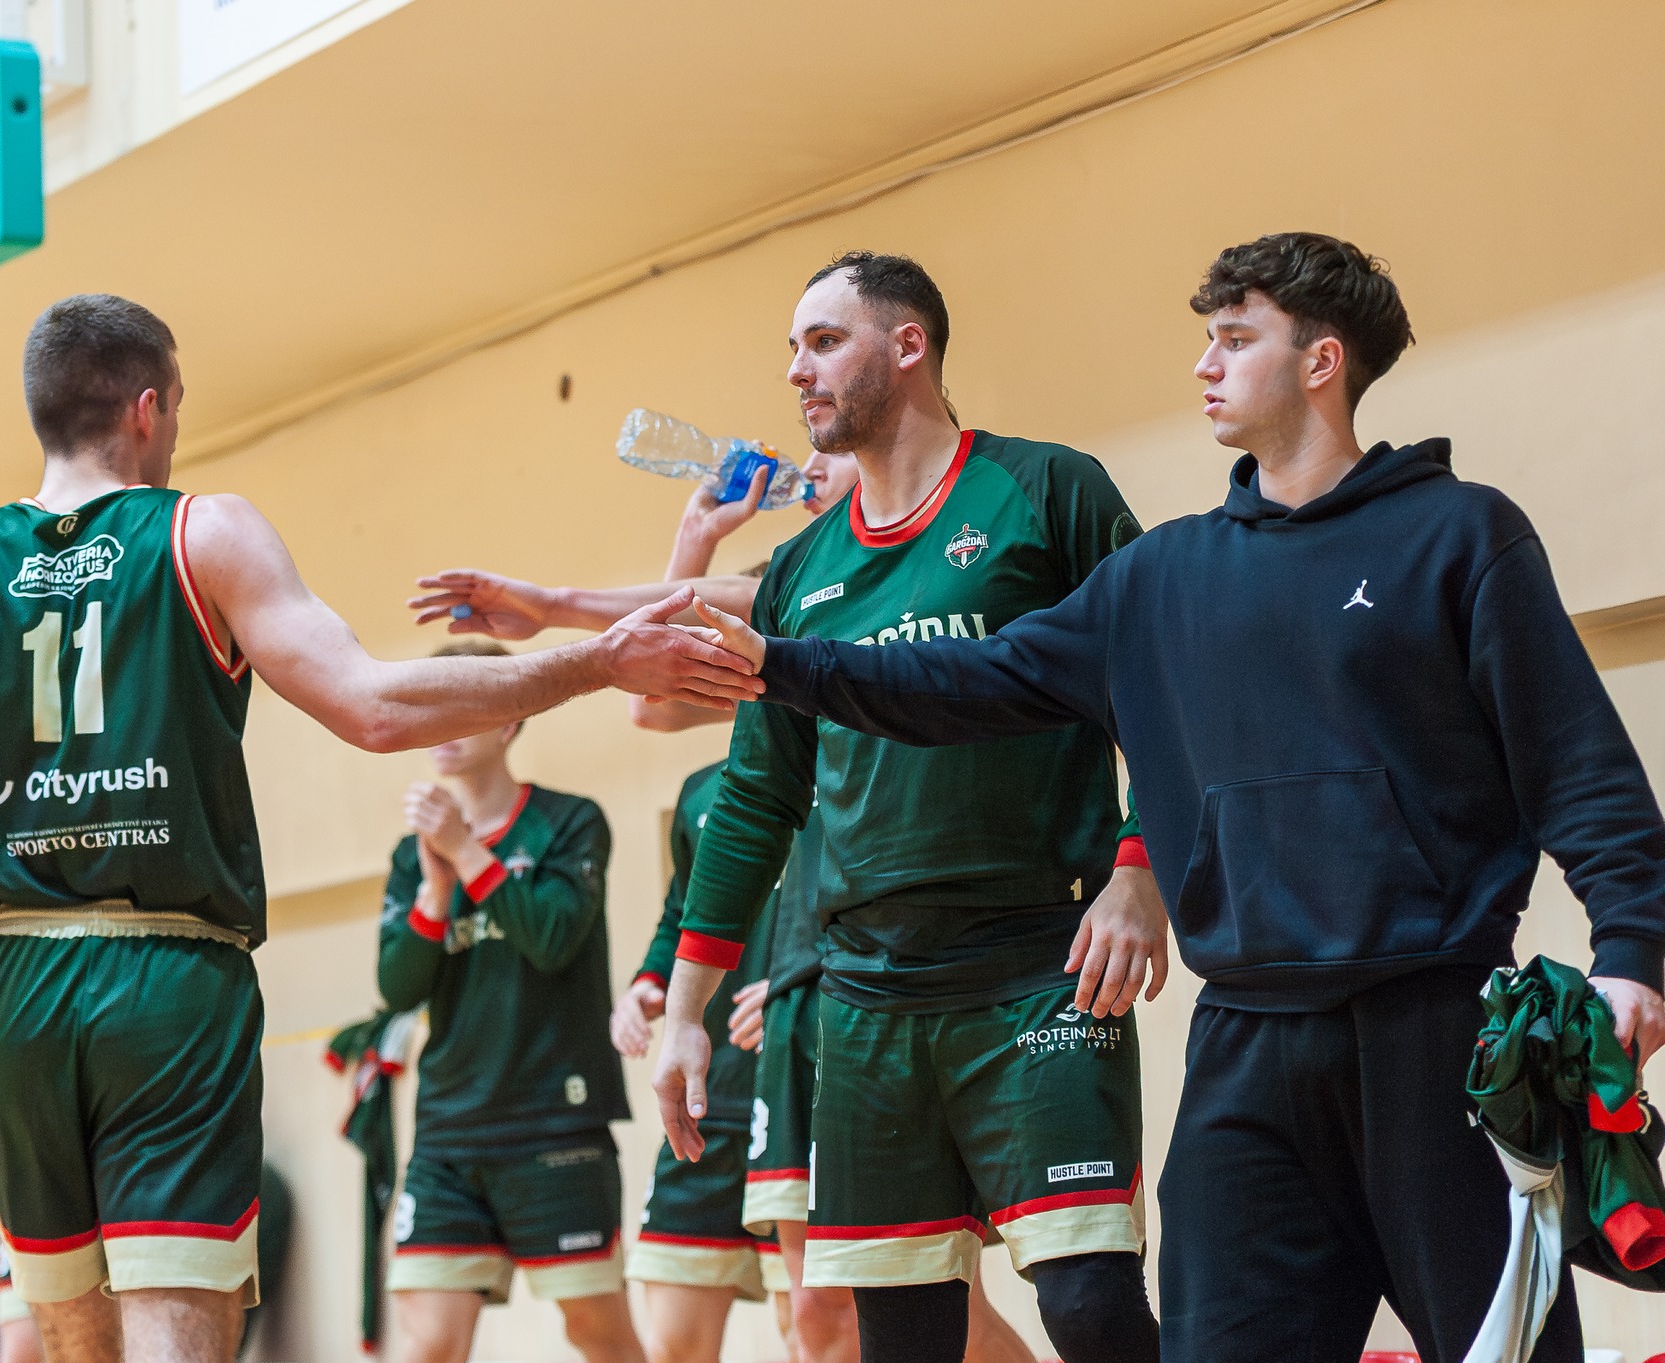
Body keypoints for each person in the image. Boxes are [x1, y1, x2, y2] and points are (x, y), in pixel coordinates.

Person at [0, 294, 759, 1363]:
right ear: (149, 408)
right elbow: (372, 706)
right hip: (166, 978)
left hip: (11, 983)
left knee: (64, 1337)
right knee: (176, 1320)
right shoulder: (203, 533)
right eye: (175, 407)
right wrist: (593, 662)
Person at [690, 232, 1665, 1362]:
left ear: (1321, 361)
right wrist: (779, 664)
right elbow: (971, 680)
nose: (1205, 363)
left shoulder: (1459, 533)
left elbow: (1579, 768)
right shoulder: (1160, 577)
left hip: (1434, 1025)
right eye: (1207, 338)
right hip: (1243, 1044)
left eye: (1236, 339)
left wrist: (1631, 950)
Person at [652, 252, 1166, 1363]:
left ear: (908, 344)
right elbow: (755, 797)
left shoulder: (1048, 491)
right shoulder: (798, 572)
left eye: (823, 341)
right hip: (868, 997)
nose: (797, 370)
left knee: (1087, 1304)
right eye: (791, 349)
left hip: (1042, 964)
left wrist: (1139, 873)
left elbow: (1162, 699)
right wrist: (686, 1006)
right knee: (900, 1335)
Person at [416, 454, 1039, 1363]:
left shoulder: (877, 626)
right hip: (735, 1052)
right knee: (747, 1324)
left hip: (864, 1012)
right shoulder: (727, 778)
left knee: (875, 1309)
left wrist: (551, 604)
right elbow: (654, 703)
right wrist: (695, 537)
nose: (809, 463)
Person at [376, 642, 643, 1363]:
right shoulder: (411, 854)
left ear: (508, 720)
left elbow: (553, 938)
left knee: (597, 1332)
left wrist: (467, 854)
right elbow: (397, 989)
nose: (440, 726)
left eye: (459, 706)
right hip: (447, 1136)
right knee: (429, 1344)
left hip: (555, 1124)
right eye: (429, 708)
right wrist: (436, 890)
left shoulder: (570, 821)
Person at [613, 758, 785, 1363]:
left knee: (820, 1334)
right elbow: (684, 913)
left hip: (807, 1095)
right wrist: (650, 981)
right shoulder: (700, 789)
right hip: (706, 1098)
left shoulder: (851, 753)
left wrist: (807, 977)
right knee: (674, 1344)